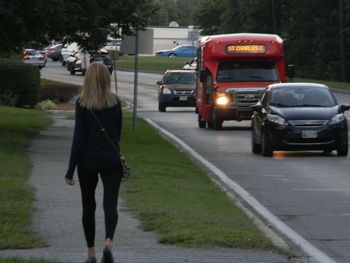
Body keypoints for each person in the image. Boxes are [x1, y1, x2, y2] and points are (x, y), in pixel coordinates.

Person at [65, 62, 123, 263]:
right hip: (111, 161)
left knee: (88, 206)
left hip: (87, 161)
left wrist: (70, 171)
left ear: (87, 80)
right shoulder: (116, 102)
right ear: (107, 79)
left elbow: (78, 139)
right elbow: (117, 134)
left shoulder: (82, 104)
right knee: (110, 205)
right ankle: (108, 243)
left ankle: (90, 253)